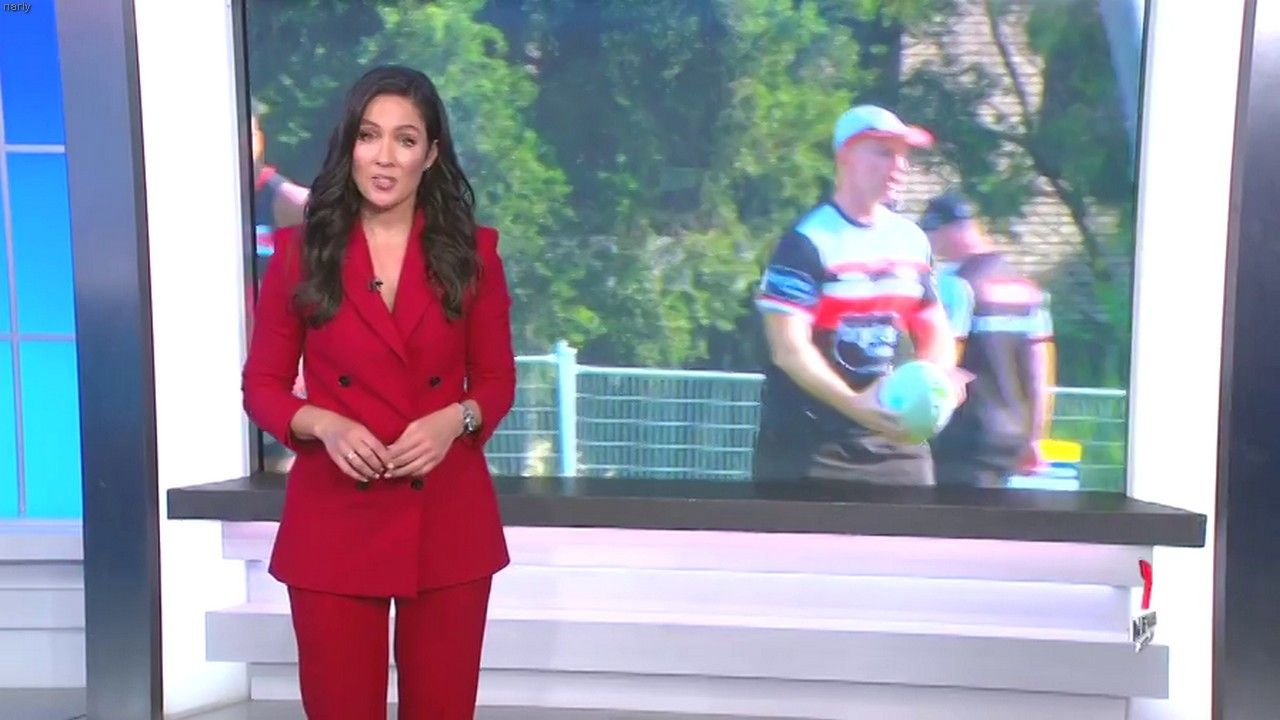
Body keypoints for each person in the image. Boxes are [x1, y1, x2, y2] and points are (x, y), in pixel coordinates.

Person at [241, 65, 516, 719]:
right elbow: (262, 386)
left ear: (431, 154)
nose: (385, 157)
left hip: (446, 519)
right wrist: (324, 424)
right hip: (334, 519)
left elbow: (497, 380)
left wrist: (456, 418)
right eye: (370, 136)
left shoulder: (472, 255)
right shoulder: (301, 254)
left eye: (405, 139)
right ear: (350, 144)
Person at [752, 105, 962, 485]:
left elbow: (936, 332)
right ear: (845, 156)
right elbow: (789, 350)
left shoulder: (912, 241)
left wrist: (934, 382)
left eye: (904, 155)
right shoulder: (806, 242)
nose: (900, 166)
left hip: (897, 445)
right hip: (812, 450)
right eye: (884, 153)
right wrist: (856, 405)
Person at [919, 191, 1056, 488]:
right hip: (1012, 436)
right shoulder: (1027, 289)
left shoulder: (954, 286)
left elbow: (940, 361)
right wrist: (1035, 438)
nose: (931, 243)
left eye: (931, 233)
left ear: (950, 229)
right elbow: (1039, 373)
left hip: (962, 438)